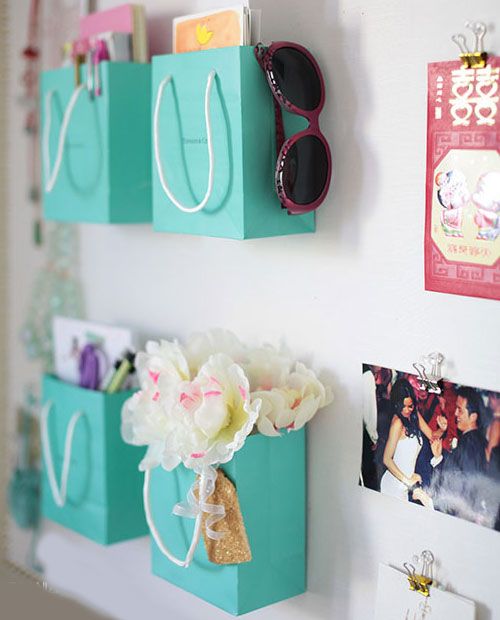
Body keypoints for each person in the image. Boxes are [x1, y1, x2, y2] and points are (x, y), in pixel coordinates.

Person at [413, 387, 498, 528]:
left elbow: (465, 490)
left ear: (473, 417)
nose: (456, 413)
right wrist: (438, 457)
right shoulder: (472, 440)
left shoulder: (470, 445)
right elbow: (455, 472)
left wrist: (430, 502)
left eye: (460, 410)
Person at [380, 379, 434, 501]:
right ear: (396, 405)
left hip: (405, 485)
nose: (406, 410)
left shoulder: (414, 415)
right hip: (393, 485)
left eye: (410, 406)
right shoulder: (397, 423)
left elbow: (432, 436)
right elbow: (386, 459)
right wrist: (407, 480)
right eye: (402, 406)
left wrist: (442, 429)